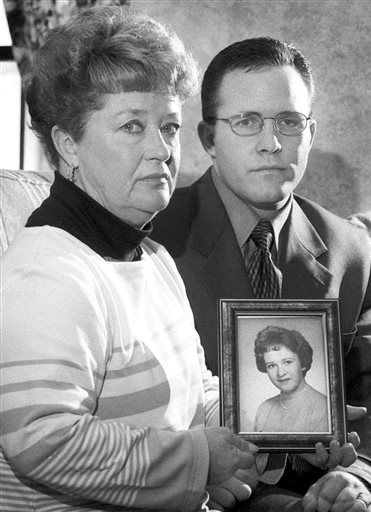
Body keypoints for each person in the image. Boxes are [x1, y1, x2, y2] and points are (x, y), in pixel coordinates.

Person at [0, 7, 265, 510]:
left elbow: (195, 391)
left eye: (169, 127)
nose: (162, 150)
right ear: (67, 144)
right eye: (131, 127)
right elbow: (43, 441)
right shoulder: (46, 274)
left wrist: (277, 427)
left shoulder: (152, 256)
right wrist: (200, 459)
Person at [151, 36, 371, 511]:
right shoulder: (154, 236)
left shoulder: (353, 250)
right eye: (246, 122)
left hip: (322, 485)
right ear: (208, 138)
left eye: (290, 122)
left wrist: (359, 475)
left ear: (310, 133)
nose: (272, 143)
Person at [253, 325, 328, 433]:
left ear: (302, 363)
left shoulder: (323, 408)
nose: (280, 373)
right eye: (271, 366)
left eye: (287, 362)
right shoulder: (264, 409)